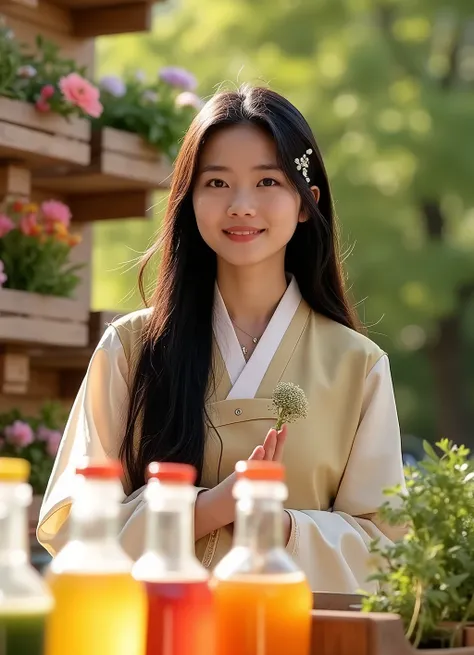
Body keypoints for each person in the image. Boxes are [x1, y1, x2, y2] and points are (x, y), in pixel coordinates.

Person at [38, 85, 406, 593]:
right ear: (189, 201)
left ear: (306, 203)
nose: (241, 205)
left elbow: (388, 549)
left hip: (299, 652)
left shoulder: (357, 365)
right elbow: (76, 524)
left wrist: (275, 524)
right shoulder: (130, 347)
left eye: (268, 181)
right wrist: (213, 507)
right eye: (216, 182)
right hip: (150, 652)